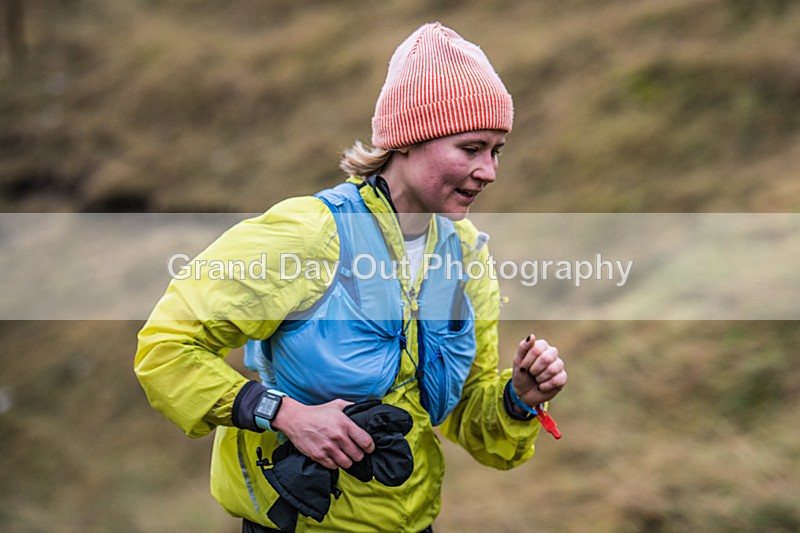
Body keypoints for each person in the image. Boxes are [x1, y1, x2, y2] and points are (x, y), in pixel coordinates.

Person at [135, 22, 567, 532]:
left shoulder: (466, 255)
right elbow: (165, 349)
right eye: (471, 148)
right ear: (409, 139)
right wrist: (284, 414)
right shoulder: (309, 235)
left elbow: (469, 418)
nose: (490, 170)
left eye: (497, 150)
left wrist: (518, 397)